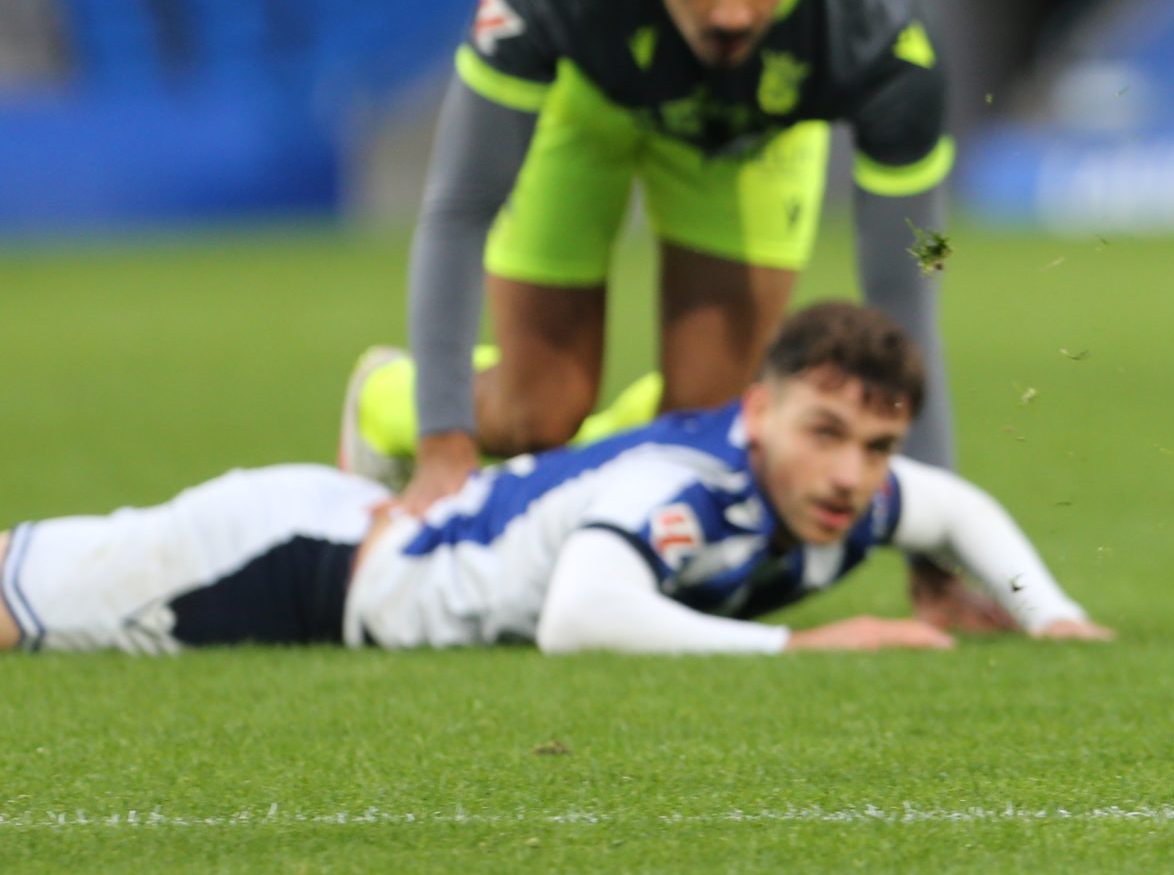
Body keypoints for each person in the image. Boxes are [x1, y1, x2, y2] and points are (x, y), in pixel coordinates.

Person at [342, 0, 996, 629]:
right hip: (590, 103)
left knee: (706, 429)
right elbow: (458, 205)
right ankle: (385, 400)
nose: (729, 11)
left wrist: (935, 567)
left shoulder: (883, 22)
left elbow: (901, 296)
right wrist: (444, 446)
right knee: (537, 412)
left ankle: (580, 535)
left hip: (750, 140)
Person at [0, 303, 1108, 657]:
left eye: (875, 448)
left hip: (352, 554)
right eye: (825, 433)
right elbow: (581, 614)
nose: (852, 473)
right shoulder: (685, 482)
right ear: (757, 410)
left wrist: (1045, 613)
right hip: (303, 562)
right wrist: (806, 646)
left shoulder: (839, 495)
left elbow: (954, 508)